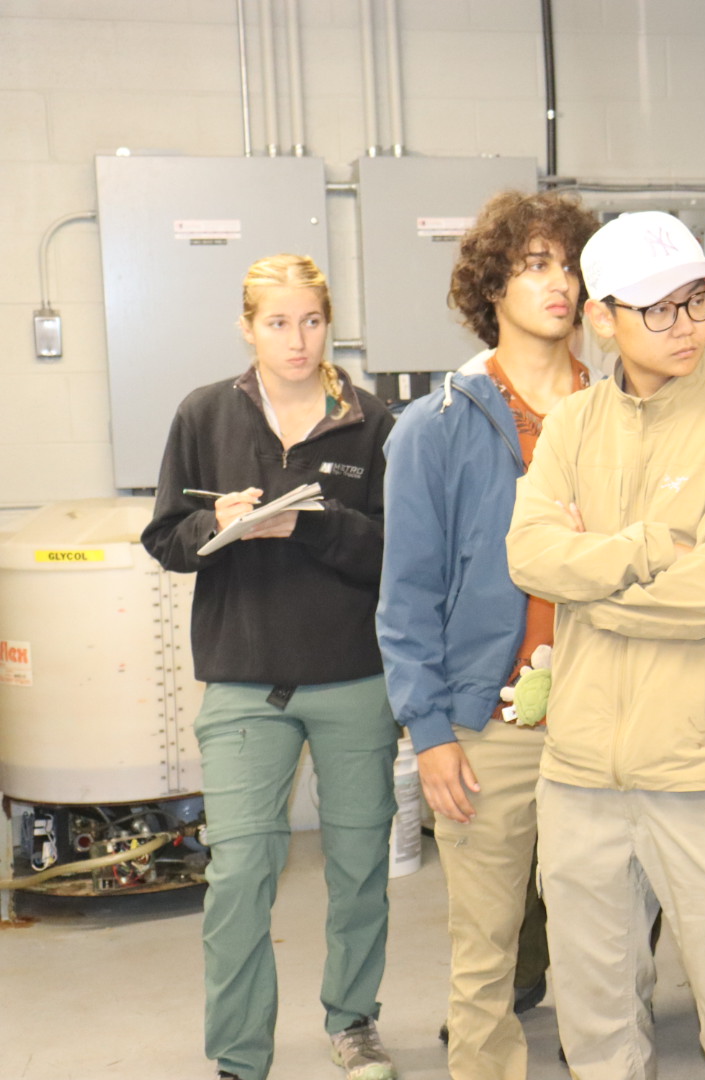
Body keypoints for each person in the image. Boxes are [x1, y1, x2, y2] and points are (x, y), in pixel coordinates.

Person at [505, 210, 705, 1080]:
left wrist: (589, 586)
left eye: (697, 303)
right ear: (602, 317)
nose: (686, 327)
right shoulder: (572, 426)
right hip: (581, 770)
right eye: (658, 310)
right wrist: (647, 549)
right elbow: (528, 556)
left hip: (703, 767)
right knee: (592, 1012)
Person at [141, 254, 399, 1080]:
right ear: (247, 326)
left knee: (361, 869)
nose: (298, 339)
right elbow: (166, 543)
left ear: (331, 322)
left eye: (312, 321)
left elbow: (395, 551)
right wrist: (216, 524)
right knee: (242, 874)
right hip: (246, 685)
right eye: (278, 322)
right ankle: (239, 1057)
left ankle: (353, 1022)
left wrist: (310, 526)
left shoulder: (372, 422)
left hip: (354, 679)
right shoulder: (204, 415)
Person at [376, 189, 599, 1080]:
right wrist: (429, 733)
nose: (559, 283)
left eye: (571, 264)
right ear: (492, 285)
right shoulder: (434, 429)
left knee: (608, 955)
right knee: (486, 966)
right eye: (535, 264)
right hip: (492, 727)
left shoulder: (620, 410)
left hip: (609, 719)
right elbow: (406, 599)